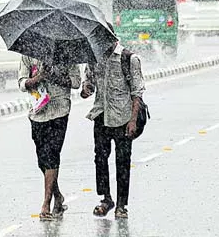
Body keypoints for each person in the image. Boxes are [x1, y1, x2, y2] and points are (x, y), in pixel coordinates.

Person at [81, 27, 146, 219]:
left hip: (123, 118)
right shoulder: (93, 58)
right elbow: (88, 86)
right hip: (101, 115)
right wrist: (86, 90)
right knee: (100, 159)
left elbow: (137, 93)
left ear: (112, 38)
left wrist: (133, 121)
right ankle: (106, 198)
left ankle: (121, 204)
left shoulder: (129, 59)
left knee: (122, 162)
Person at [18, 56, 81, 221]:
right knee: (42, 160)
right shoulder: (28, 53)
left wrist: (55, 76)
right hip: (38, 112)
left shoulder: (67, 52)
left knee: (52, 154)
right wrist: (39, 78)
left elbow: (75, 82)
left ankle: (46, 203)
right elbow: (22, 83)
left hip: (60, 109)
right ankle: (58, 196)